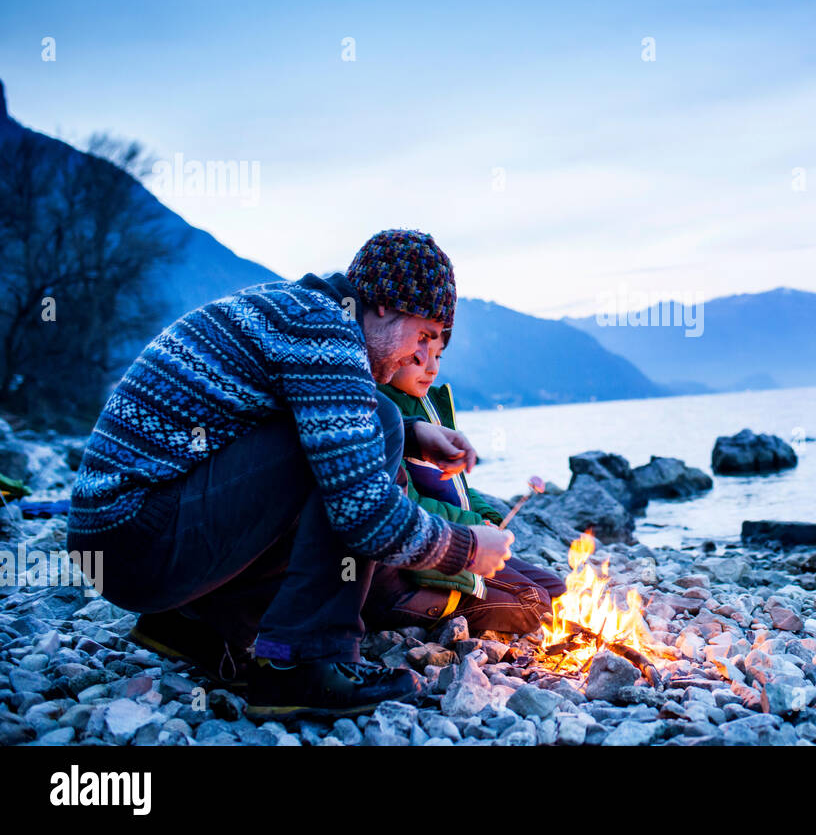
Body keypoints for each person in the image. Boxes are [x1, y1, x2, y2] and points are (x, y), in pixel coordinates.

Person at [68, 229, 515, 718]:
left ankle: (197, 624)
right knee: (374, 426)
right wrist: (467, 549)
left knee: (382, 424)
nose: (422, 357)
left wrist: (413, 433)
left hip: (120, 537)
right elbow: (363, 517)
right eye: (423, 336)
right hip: (135, 539)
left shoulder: (303, 311)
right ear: (384, 306)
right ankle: (302, 664)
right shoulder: (325, 334)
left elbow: (284, 418)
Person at [364, 343, 565, 637]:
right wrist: (471, 529)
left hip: (458, 541)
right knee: (534, 603)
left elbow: (457, 486)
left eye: (437, 356)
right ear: (389, 355)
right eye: (417, 358)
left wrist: (485, 517)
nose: (432, 367)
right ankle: (434, 624)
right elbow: (408, 505)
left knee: (556, 588)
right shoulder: (382, 414)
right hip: (420, 568)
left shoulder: (428, 409)